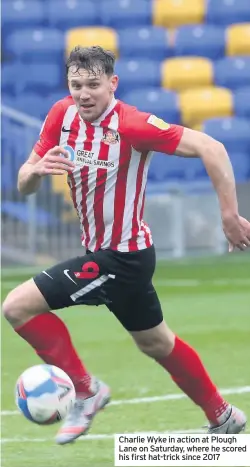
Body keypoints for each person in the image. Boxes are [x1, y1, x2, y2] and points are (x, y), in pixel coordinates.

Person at [2, 46, 249, 445]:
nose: (83, 94)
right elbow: (24, 182)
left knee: (16, 306)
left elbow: (212, 148)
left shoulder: (132, 124)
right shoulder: (60, 115)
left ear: (112, 84)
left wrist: (228, 215)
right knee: (156, 342)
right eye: (76, 84)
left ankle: (85, 390)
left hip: (123, 256)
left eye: (93, 85)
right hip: (107, 255)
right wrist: (36, 170)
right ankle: (222, 417)